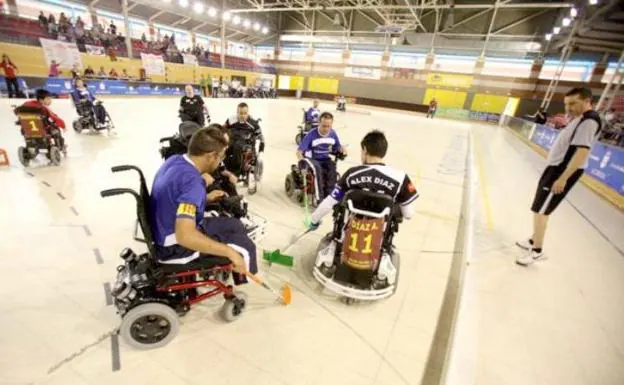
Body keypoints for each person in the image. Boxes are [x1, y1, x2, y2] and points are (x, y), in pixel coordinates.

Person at [149, 126, 257, 284]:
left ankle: (237, 271)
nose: (220, 162)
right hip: (175, 248)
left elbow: (176, 198)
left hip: (164, 229)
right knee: (246, 248)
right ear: (212, 156)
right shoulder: (192, 183)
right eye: (220, 158)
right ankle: (246, 276)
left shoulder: (175, 161)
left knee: (235, 225)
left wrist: (203, 199)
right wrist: (230, 253)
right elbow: (185, 236)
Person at [308, 130, 418, 272]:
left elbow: (329, 202)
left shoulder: (351, 174)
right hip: (379, 238)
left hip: (349, 233)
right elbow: (408, 214)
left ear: (365, 150)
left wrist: (314, 220)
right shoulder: (401, 178)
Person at [516, 87, 602, 266]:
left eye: (573, 103)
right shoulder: (579, 119)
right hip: (554, 168)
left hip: (561, 171)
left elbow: (582, 152)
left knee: (541, 210)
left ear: (587, 101)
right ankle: (533, 240)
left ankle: (537, 251)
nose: (568, 108)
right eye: (566, 104)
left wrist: (563, 178)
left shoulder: (589, 121)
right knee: (539, 207)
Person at [296, 112, 347, 200]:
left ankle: (330, 196)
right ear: (319, 123)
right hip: (312, 159)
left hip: (325, 159)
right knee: (317, 169)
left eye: (329, 126)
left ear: (331, 124)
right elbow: (299, 152)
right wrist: (302, 164)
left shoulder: (333, 133)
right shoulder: (311, 134)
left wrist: (342, 149)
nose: (326, 129)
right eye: (324, 126)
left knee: (332, 168)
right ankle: (320, 198)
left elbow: (337, 147)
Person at [223, 102, 265, 176]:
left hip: (245, 143)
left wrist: (261, 151)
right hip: (232, 140)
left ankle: (236, 172)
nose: (242, 115)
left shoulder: (253, 124)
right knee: (224, 148)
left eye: (245, 113)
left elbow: (262, 138)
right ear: (237, 112)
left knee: (237, 147)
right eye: (240, 113)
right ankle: (225, 168)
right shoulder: (231, 120)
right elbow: (222, 129)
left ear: (248, 113)